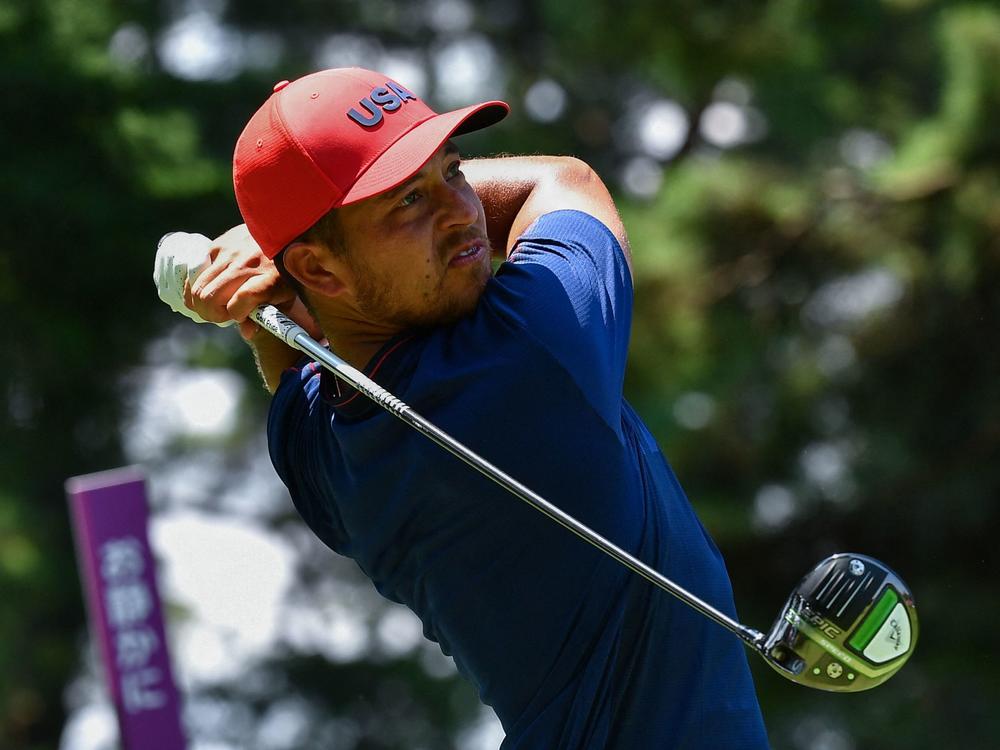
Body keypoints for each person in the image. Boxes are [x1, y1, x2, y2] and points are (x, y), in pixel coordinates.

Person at [187, 67, 770, 748]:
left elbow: (288, 355)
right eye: (407, 200)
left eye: (453, 172)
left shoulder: (323, 454)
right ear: (320, 270)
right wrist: (271, 264)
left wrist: (273, 285)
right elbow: (562, 184)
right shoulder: (526, 352)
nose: (461, 211)